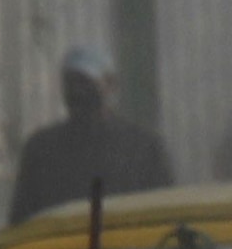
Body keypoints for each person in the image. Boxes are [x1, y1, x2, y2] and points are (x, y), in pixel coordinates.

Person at [12, 42, 175, 225]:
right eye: (71, 83)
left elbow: (165, 216)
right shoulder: (40, 150)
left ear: (111, 84)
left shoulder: (145, 148)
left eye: (85, 82)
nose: (77, 91)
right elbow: (22, 222)